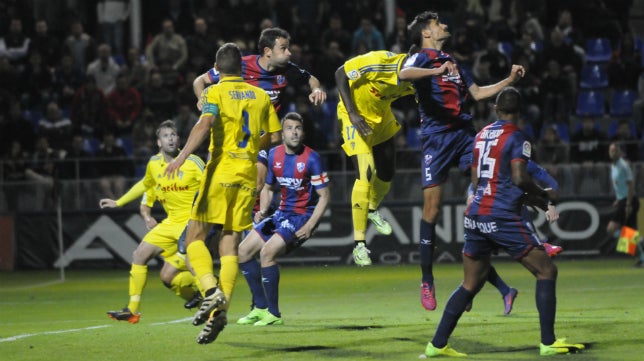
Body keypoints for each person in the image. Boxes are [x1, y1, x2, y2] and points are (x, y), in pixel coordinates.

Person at [423, 87, 584, 357]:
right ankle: (548, 342)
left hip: (476, 215)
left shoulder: (481, 135)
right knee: (546, 271)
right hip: (502, 215)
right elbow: (520, 178)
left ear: (496, 109)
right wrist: (542, 197)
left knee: (470, 283)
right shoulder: (518, 137)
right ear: (519, 112)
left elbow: (475, 180)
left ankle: (436, 345)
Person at [399, 10, 525, 311]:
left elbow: (479, 93)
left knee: (484, 193)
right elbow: (403, 74)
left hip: (464, 135)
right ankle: (427, 280)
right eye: (437, 23)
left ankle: (521, 243)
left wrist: (508, 79)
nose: (444, 25)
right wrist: (434, 73)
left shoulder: (454, 63)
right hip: (435, 141)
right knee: (432, 210)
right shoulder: (422, 58)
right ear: (426, 33)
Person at [164, 43, 281, 345]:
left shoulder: (213, 92)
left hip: (220, 171)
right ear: (242, 68)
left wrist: (181, 156)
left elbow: (205, 124)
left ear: (218, 68)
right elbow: (275, 137)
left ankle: (211, 290)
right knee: (229, 245)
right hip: (245, 176)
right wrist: (254, 146)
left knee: (194, 239)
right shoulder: (260, 96)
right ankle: (221, 311)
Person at [100, 120, 204, 323]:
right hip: (170, 224)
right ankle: (132, 310)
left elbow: (211, 183)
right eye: (166, 136)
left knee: (190, 267)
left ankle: (211, 298)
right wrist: (119, 201)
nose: (171, 139)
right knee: (141, 257)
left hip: (192, 224)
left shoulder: (193, 161)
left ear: (179, 139)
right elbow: (144, 185)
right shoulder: (154, 164)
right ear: (159, 142)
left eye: (173, 135)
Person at [236, 112, 330, 326]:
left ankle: (274, 314)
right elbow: (268, 188)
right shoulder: (273, 155)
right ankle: (259, 308)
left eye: (298, 128)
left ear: (303, 132)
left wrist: (311, 225)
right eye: (289, 128)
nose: (294, 132)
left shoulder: (312, 158)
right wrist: (263, 209)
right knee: (243, 250)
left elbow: (325, 197)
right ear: (283, 132)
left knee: (267, 252)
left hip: (301, 216)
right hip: (280, 214)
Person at [334, 50, 418, 266]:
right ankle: (359, 244)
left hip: (381, 118)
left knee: (388, 172)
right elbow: (340, 73)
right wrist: (352, 113)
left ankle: (371, 209)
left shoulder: (417, 80)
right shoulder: (380, 62)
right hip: (354, 117)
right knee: (366, 172)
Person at [192, 27, 327, 116]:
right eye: (283, 48)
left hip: (268, 133)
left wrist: (315, 90)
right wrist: (201, 98)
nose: (289, 53)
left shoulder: (288, 69)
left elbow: (311, 79)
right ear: (268, 51)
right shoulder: (240, 65)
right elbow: (200, 80)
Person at [606, 141, 642, 265]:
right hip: (623, 200)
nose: (612, 153)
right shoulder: (613, 166)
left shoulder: (623, 166)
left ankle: (640, 246)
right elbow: (619, 185)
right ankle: (641, 256)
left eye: (615, 150)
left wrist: (628, 204)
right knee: (629, 235)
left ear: (620, 152)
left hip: (629, 201)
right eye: (611, 150)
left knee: (611, 229)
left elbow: (631, 184)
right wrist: (618, 199)